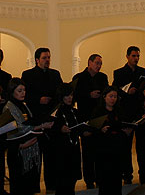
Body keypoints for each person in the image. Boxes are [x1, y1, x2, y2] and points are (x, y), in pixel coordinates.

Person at [21, 47, 63, 192]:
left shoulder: (55, 74)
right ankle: (34, 187)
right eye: (44, 58)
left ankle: (51, 185)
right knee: (35, 155)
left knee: (51, 155)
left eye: (49, 57)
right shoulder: (27, 75)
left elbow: (60, 93)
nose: (47, 60)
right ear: (37, 60)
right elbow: (24, 95)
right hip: (36, 119)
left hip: (51, 118)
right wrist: (39, 99)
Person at [4, 77, 53, 195]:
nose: (23, 93)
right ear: (12, 91)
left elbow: (30, 120)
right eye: (19, 91)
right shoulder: (8, 107)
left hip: (30, 148)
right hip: (18, 150)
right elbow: (18, 128)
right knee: (20, 185)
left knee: (30, 185)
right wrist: (41, 126)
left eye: (24, 90)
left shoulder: (23, 105)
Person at [112, 45, 145, 183]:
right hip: (126, 112)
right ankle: (127, 174)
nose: (136, 58)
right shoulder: (119, 73)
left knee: (143, 145)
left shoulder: (144, 72)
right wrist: (126, 92)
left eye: (138, 56)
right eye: (133, 56)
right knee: (125, 146)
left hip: (141, 112)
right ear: (127, 56)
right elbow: (115, 90)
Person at [71, 53, 109, 189]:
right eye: (97, 63)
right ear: (89, 63)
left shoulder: (102, 77)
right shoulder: (79, 77)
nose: (99, 66)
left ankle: (100, 177)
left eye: (100, 64)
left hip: (100, 117)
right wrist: (89, 95)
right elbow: (73, 96)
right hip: (85, 117)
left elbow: (106, 93)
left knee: (101, 150)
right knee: (88, 151)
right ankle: (89, 180)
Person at [90, 86, 132, 195]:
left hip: (117, 149)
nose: (113, 99)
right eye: (111, 96)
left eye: (115, 97)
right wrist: (101, 130)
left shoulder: (119, 111)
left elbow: (124, 125)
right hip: (104, 151)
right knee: (105, 182)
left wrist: (127, 132)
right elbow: (92, 130)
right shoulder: (98, 111)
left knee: (117, 181)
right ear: (104, 97)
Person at [50, 83, 82, 195]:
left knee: (71, 182)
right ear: (61, 96)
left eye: (71, 95)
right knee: (62, 184)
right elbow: (50, 129)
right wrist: (60, 128)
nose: (70, 98)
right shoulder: (56, 112)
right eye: (67, 95)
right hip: (61, 152)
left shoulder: (74, 111)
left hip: (73, 150)